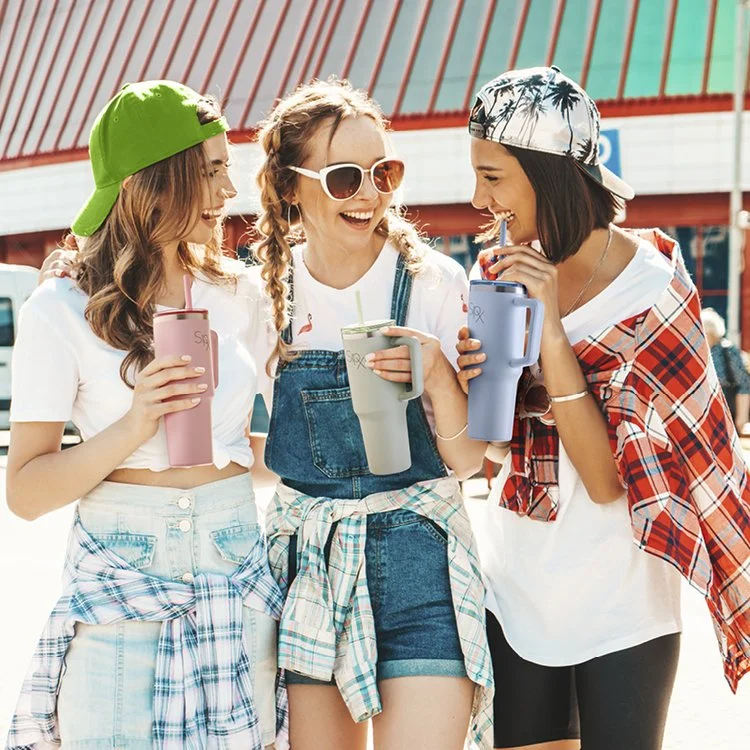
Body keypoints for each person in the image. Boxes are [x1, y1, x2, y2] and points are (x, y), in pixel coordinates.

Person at [456, 66, 750, 750]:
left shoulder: (651, 290)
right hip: (518, 589)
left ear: (549, 173)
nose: (477, 198)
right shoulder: (495, 274)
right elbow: (491, 449)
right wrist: (476, 382)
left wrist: (550, 334)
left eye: (493, 176)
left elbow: (605, 479)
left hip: (625, 606)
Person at [6, 81, 283, 750]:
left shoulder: (239, 293)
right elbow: (24, 491)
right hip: (120, 586)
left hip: (233, 570)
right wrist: (134, 426)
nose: (228, 191)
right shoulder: (58, 310)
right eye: (211, 170)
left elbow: (244, 455)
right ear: (159, 181)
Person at [249, 78, 493, 750]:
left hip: (422, 561)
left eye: (384, 172)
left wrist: (437, 373)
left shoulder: (436, 283)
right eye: (345, 177)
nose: (370, 194)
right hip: (312, 568)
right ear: (292, 186)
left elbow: (473, 460)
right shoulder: (260, 294)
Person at [701, 307, 750, 433]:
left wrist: (741, 418)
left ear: (712, 332)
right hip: (705, 410)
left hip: (727, 410)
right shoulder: (699, 351)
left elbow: (744, 384)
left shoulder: (727, 351)